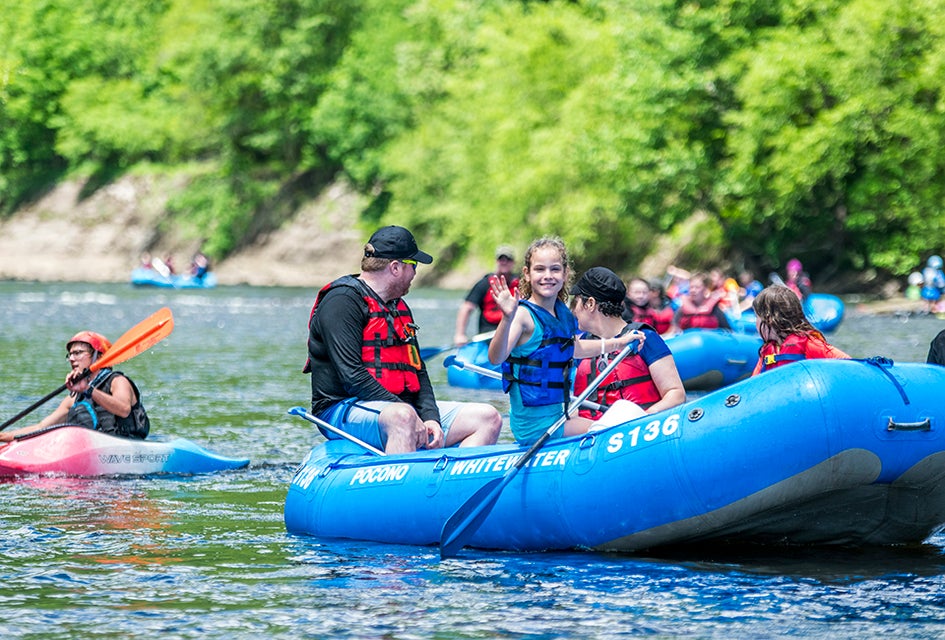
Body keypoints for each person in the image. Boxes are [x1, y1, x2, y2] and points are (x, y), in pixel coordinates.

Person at [304, 225, 501, 454]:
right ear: (396, 268)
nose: (415, 273)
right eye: (413, 265)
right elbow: (351, 375)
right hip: (342, 408)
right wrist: (406, 411)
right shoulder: (342, 302)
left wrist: (430, 418)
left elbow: (418, 370)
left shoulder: (398, 306)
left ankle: (453, 485)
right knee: (403, 418)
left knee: (488, 417)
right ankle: (397, 484)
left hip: (398, 408)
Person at [487, 237, 643, 445]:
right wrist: (506, 318)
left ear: (565, 273)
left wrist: (619, 343)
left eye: (555, 269)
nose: (548, 276)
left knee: (622, 414)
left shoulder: (562, 313)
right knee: (619, 426)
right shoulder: (522, 315)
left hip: (559, 416)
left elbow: (574, 349)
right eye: (540, 269)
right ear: (527, 273)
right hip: (536, 427)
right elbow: (496, 358)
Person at [571, 267, 685, 424]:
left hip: (636, 430)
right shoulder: (584, 346)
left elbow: (676, 393)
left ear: (590, 304)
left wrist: (642, 418)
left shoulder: (645, 338)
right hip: (591, 435)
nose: (573, 310)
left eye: (575, 301)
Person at [0, 331, 150, 443]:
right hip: (92, 452)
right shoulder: (73, 398)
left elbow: (124, 410)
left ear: (98, 356)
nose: (72, 358)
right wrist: (3, 437)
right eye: (70, 355)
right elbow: (41, 426)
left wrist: (88, 390)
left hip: (126, 449)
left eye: (78, 353)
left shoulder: (118, 381)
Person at [751, 285, 849, 375]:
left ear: (769, 319)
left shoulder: (808, 344)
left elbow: (848, 363)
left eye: (757, 317)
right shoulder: (767, 351)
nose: (756, 322)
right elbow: (753, 382)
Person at [453, 245, 519, 345]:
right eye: (501, 259)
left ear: (513, 262)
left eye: (508, 259)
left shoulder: (520, 284)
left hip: (512, 332)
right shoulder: (484, 284)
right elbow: (466, 308)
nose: (504, 262)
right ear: (497, 261)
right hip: (488, 335)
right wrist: (460, 334)